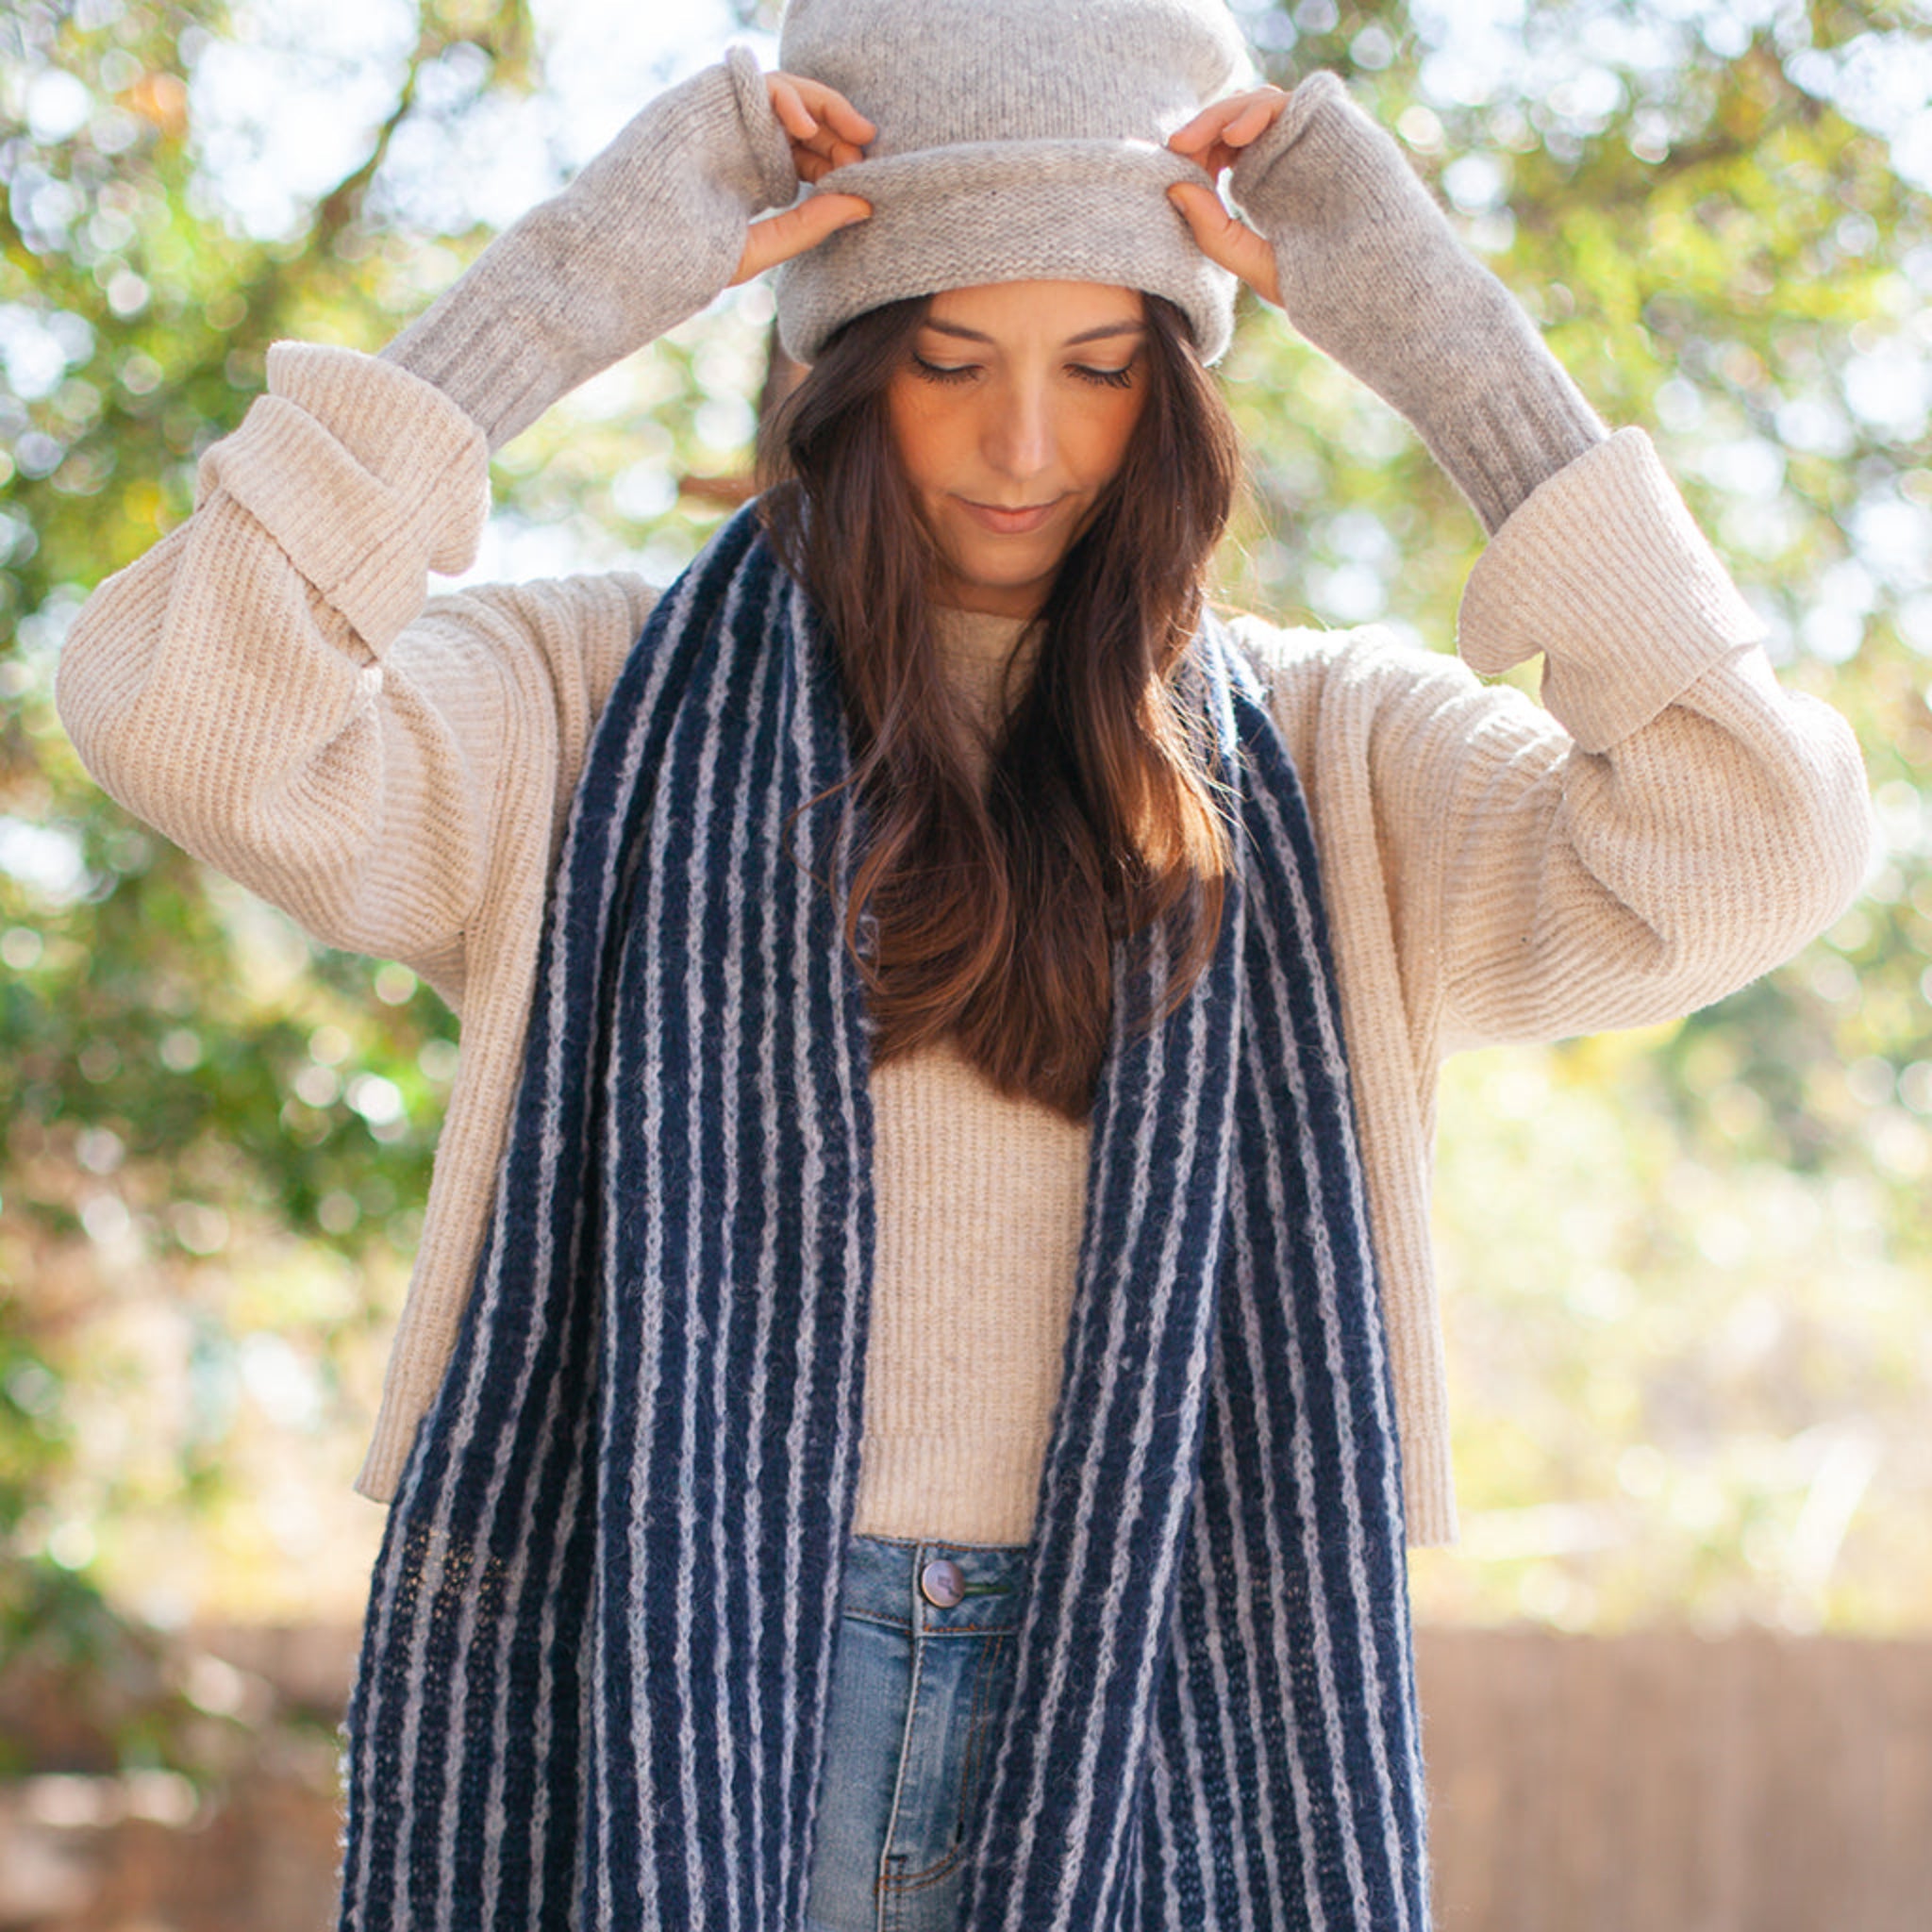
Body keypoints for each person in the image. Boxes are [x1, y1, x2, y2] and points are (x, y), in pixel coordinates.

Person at [55, 1, 1869, 1927]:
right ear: (841, 368)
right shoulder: (584, 703)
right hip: (701, 1668)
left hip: (1175, 1665)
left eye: (1098, 364)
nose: (1024, 445)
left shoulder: (1338, 761)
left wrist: (1452, 351)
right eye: (946, 359)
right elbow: (182, 708)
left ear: (1171, 388)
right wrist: (567, 287)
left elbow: (1760, 837)